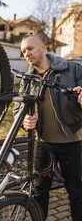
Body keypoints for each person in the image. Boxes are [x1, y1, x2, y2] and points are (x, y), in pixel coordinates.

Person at [13, 33, 82, 221]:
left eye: (30, 48)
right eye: (23, 51)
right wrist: (24, 121)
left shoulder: (72, 69)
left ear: (43, 47)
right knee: (39, 192)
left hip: (71, 142)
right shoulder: (27, 79)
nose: (26, 54)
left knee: (76, 192)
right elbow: (18, 108)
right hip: (43, 145)